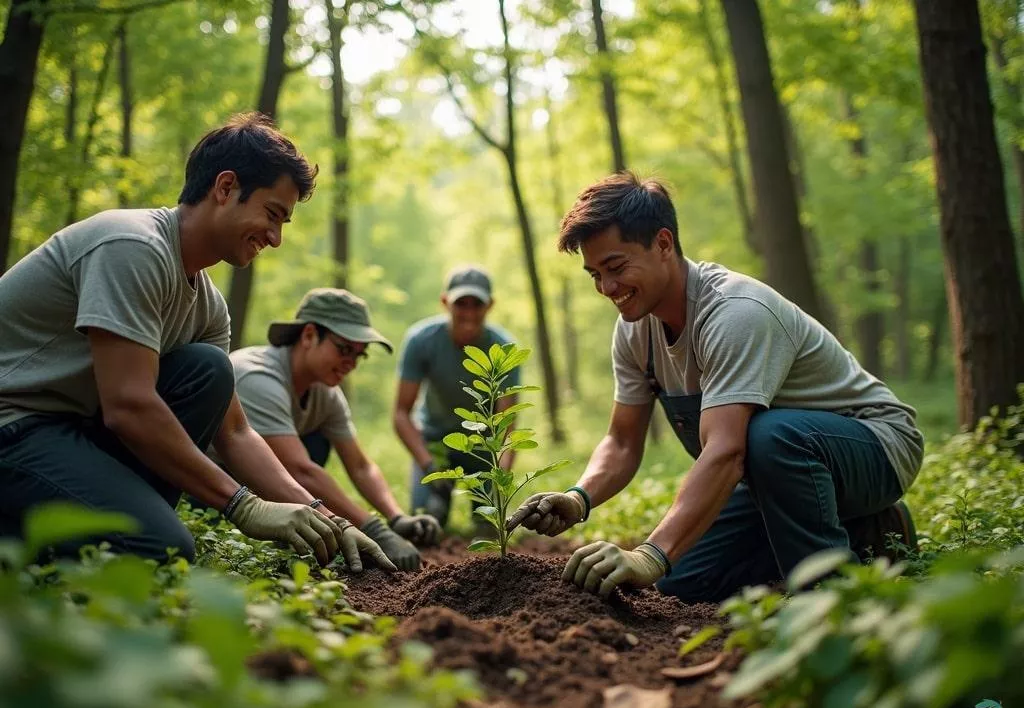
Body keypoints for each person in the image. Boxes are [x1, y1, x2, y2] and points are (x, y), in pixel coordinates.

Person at [0, 112, 394, 573]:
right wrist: (243, 506)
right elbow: (128, 405)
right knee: (161, 548)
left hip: (68, 430)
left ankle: (108, 518)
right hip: (13, 425)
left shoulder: (208, 306)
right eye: (272, 214)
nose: (276, 238)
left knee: (208, 369)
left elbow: (235, 432)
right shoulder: (131, 246)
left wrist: (325, 518)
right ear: (225, 188)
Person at [508, 172, 923, 601]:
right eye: (594, 274)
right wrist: (578, 499)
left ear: (664, 244)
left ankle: (831, 602)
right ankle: (869, 533)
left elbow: (727, 450)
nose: (607, 288)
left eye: (616, 267)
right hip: (776, 474)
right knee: (679, 582)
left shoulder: (734, 313)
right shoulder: (634, 330)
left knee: (767, 437)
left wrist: (649, 554)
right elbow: (622, 441)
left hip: (874, 447)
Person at [219, 288, 443, 570]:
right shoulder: (257, 377)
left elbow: (360, 466)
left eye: (359, 355)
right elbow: (300, 469)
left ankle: (293, 531)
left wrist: (396, 518)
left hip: (263, 492)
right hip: (215, 493)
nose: (351, 364)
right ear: (310, 335)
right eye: (345, 349)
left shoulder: (325, 391)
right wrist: (375, 531)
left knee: (316, 441)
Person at [393, 265, 520, 526]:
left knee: (490, 527)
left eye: (477, 304)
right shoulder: (421, 341)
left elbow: (507, 424)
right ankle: (436, 500)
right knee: (425, 522)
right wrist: (429, 466)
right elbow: (401, 413)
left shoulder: (504, 349)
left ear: (490, 305)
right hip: (435, 444)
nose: (469, 312)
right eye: (461, 303)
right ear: (445, 302)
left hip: (484, 449)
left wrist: (501, 478)